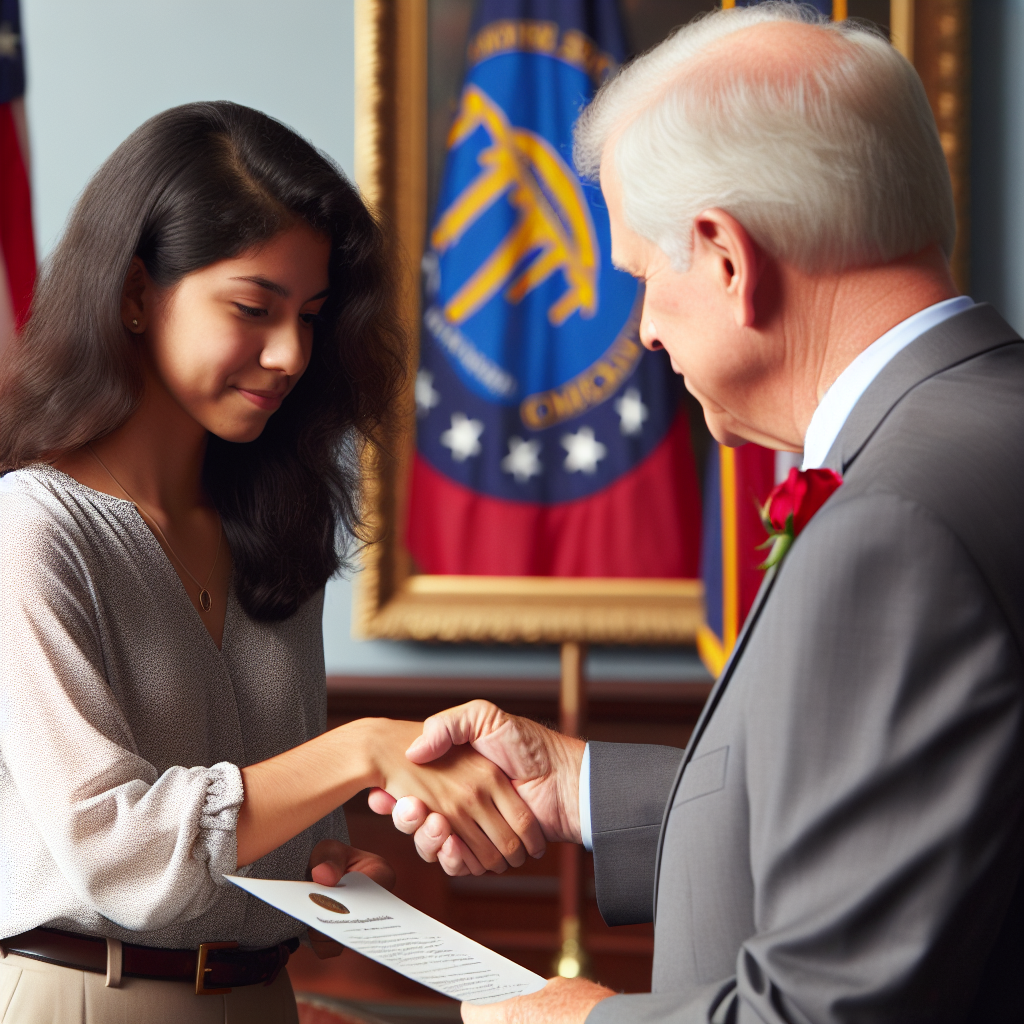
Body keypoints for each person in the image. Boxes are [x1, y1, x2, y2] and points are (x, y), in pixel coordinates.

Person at [371, 6, 1024, 1023]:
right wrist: (578, 788)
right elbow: (911, 817)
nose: (640, 327)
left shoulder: (893, 519)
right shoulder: (978, 425)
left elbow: (830, 1008)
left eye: (640, 275)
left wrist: (578, 1021)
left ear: (724, 257)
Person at [0, 101, 543, 1024]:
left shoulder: (271, 527)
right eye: (254, 308)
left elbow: (272, 817)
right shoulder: (31, 528)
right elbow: (115, 848)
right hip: (85, 1000)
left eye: (312, 317)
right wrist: (362, 747)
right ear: (136, 294)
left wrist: (333, 878)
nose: (291, 353)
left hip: (264, 1001)